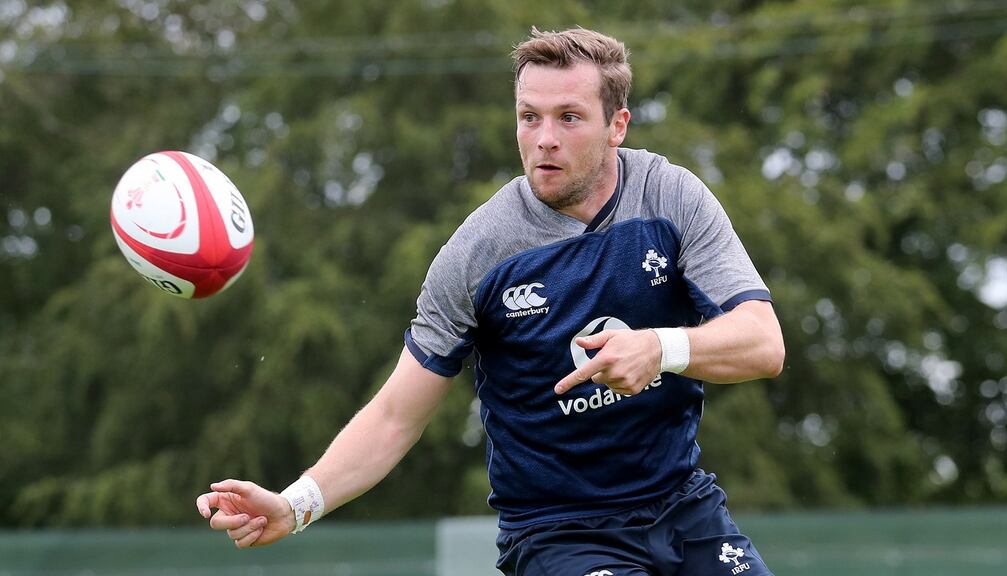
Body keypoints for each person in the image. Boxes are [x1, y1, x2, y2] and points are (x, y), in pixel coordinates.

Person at [197, 26, 785, 576]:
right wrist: (295, 505)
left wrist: (662, 347)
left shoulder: (671, 198)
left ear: (618, 126)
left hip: (682, 507)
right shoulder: (479, 254)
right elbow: (396, 416)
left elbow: (763, 342)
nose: (544, 138)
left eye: (569, 117)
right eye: (529, 117)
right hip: (560, 534)